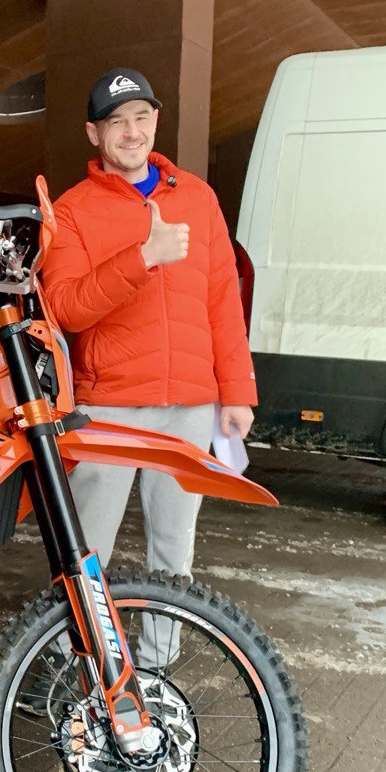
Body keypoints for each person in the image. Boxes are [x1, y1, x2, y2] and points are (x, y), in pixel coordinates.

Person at [41, 68, 257, 672]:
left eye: (140, 117)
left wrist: (236, 391)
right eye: (116, 122)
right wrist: (143, 258)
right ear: (94, 134)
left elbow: (223, 298)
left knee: (173, 551)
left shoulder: (198, 198)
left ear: (156, 122)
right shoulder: (71, 210)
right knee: (86, 550)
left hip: (189, 404)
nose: (131, 131)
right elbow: (66, 307)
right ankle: (65, 666)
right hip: (108, 406)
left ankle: (158, 670)